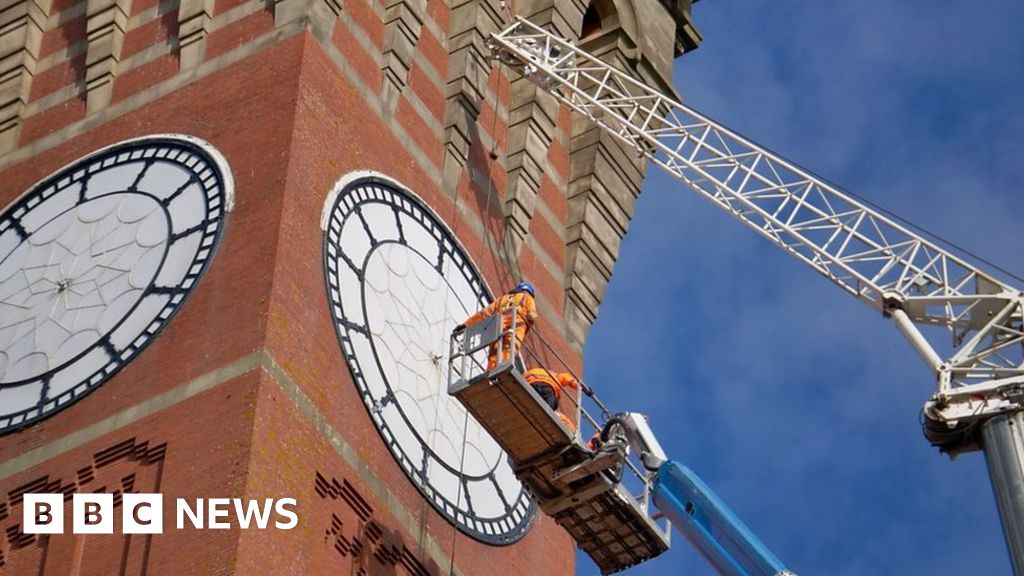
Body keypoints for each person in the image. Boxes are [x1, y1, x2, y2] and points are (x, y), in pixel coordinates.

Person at [454, 282, 538, 370]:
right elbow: (532, 315)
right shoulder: (527, 297)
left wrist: (466, 324)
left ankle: (490, 371)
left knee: (494, 352)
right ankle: (503, 369)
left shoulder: (502, 299)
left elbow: (483, 314)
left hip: (498, 326)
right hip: (515, 326)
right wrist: (527, 325)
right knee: (510, 348)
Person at [524, 368, 579, 432]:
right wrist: (579, 386)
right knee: (548, 412)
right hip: (547, 386)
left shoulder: (535, 370)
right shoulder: (555, 375)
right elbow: (566, 378)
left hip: (531, 383)